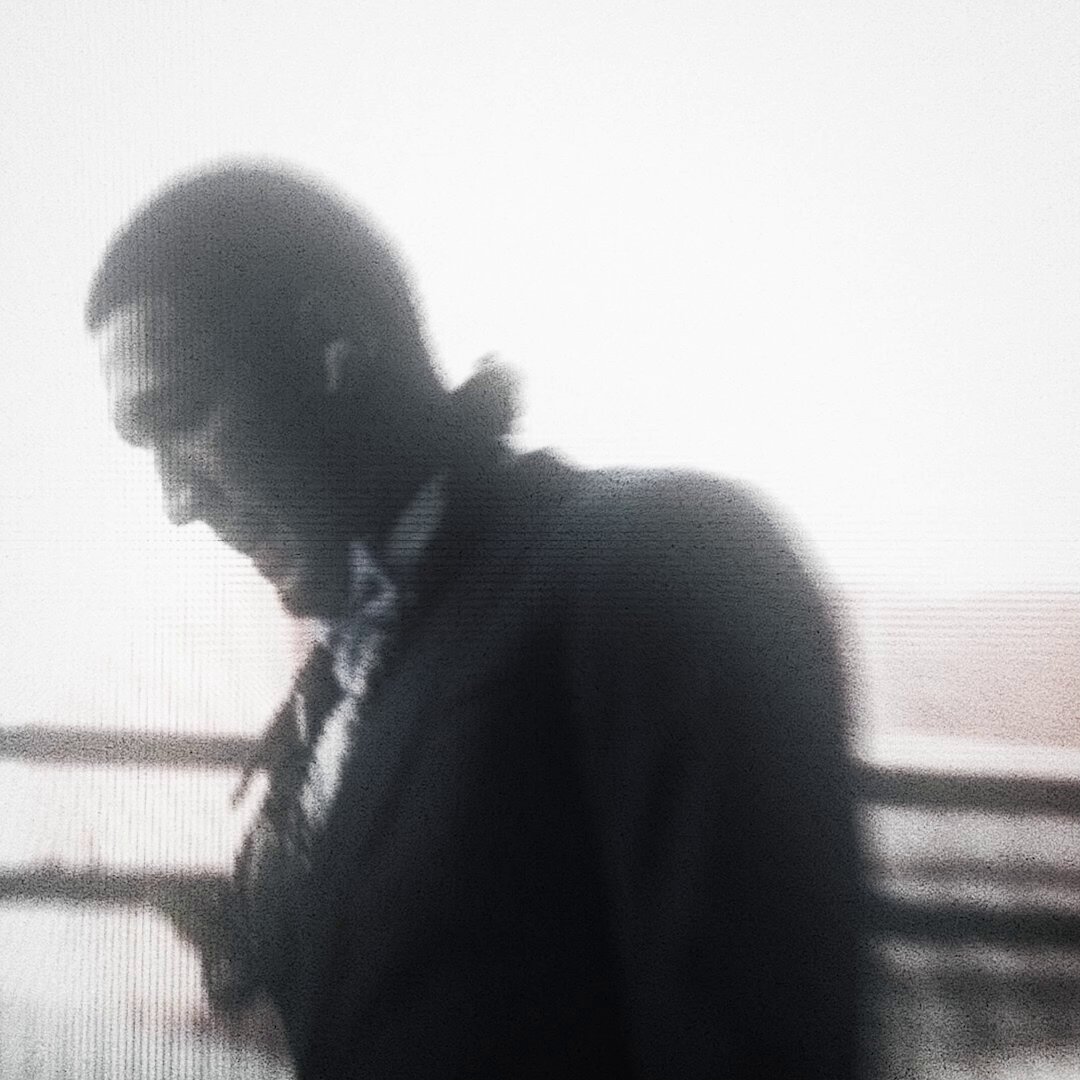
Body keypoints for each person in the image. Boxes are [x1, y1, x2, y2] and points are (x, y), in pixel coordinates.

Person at [87, 161, 865, 1079]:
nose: (176, 502)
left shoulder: (665, 560)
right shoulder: (355, 668)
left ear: (332, 345)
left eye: (184, 416)